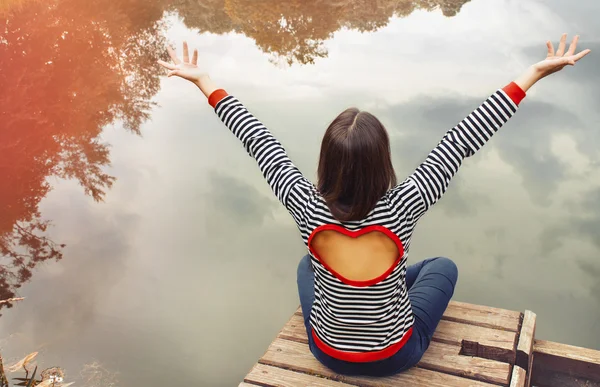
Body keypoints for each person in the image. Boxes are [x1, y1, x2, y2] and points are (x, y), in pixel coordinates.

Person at [158, 34, 590, 376]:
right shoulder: (406, 201)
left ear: (326, 160)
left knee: (306, 265)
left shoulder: (302, 200)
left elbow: (256, 138)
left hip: (325, 352)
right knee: (442, 266)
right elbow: (462, 140)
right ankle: (386, 292)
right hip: (395, 356)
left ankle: (362, 301)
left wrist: (203, 81)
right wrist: (531, 75)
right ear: (382, 161)